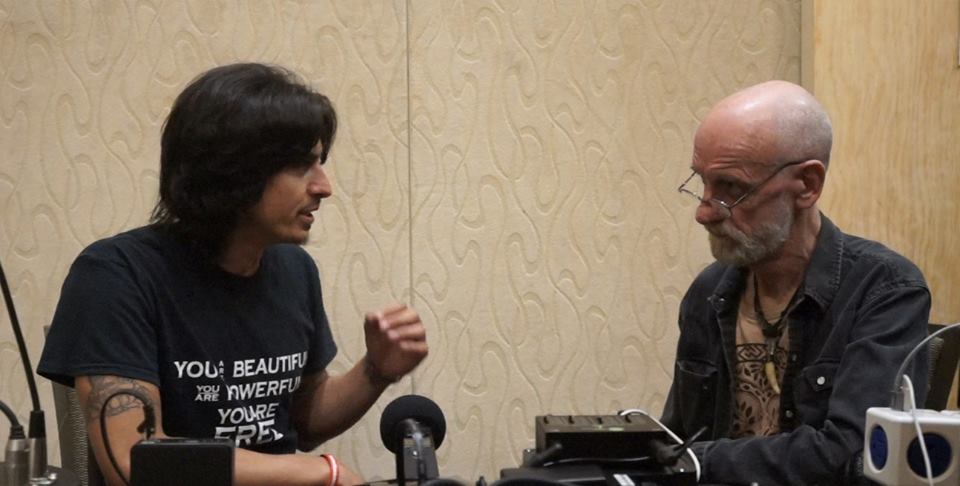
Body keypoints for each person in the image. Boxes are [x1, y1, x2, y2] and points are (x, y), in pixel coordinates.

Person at [38, 63, 428, 486]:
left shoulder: (295, 269)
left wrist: (375, 371)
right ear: (233, 170)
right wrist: (319, 472)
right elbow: (133, 462)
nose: (324, 186)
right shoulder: (116, 275)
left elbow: (305, 421)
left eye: (320, 164)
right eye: (301, 166)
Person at [661, 80, 930, 484]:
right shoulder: (709, 292)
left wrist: (693, 461)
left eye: (731, 188)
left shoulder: (886, 290)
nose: (704, 212)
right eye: (702, 182)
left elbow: (853, 455)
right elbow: (676, 441)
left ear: (808, 185)